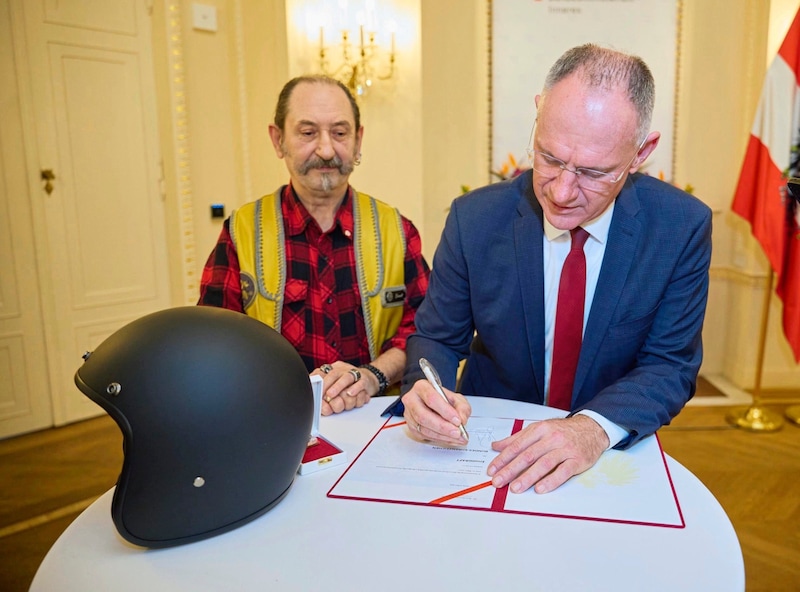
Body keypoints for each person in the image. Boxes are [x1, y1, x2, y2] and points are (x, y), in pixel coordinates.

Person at [400, 44, 711, 494]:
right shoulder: (475, 219)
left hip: (604, 458)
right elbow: (437, 338)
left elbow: (669, 366)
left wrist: (590, 429)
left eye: (593, 172)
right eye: (549, 158)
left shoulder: (679, 228)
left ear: (642, 152)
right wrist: (428, 392)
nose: (562, 192)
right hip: (487, 447)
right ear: (538, 113)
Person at [199, 75, 429, 415]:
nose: (325, 149)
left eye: (339, 133)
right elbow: (215, 343)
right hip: (276, 424)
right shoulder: (241, 233)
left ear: (358, 140)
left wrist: (371, 376)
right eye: (307, 133)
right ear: (278, 140)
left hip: (377, 422)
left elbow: (425, 331)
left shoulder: (397, 230)